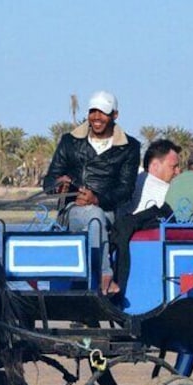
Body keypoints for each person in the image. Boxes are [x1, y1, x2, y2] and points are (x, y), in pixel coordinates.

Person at [43, 90, 141, 293]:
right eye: (93, 111)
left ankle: (96, 280)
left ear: (114, 115)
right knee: (94, 216)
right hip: (72, 209)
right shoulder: (70, 141)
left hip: (109, 211)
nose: (96, 117)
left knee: (96, 214)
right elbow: (49, 183)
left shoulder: (130, 147)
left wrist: (97, 198)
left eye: (102, 112)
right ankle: (105, 274)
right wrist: (59, 184)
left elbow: (126, 189)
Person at [120, 138, 181, 215]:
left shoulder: (128, 182)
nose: (178, 171)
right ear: (155, 166)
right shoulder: (166, 192)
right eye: (174, 167)